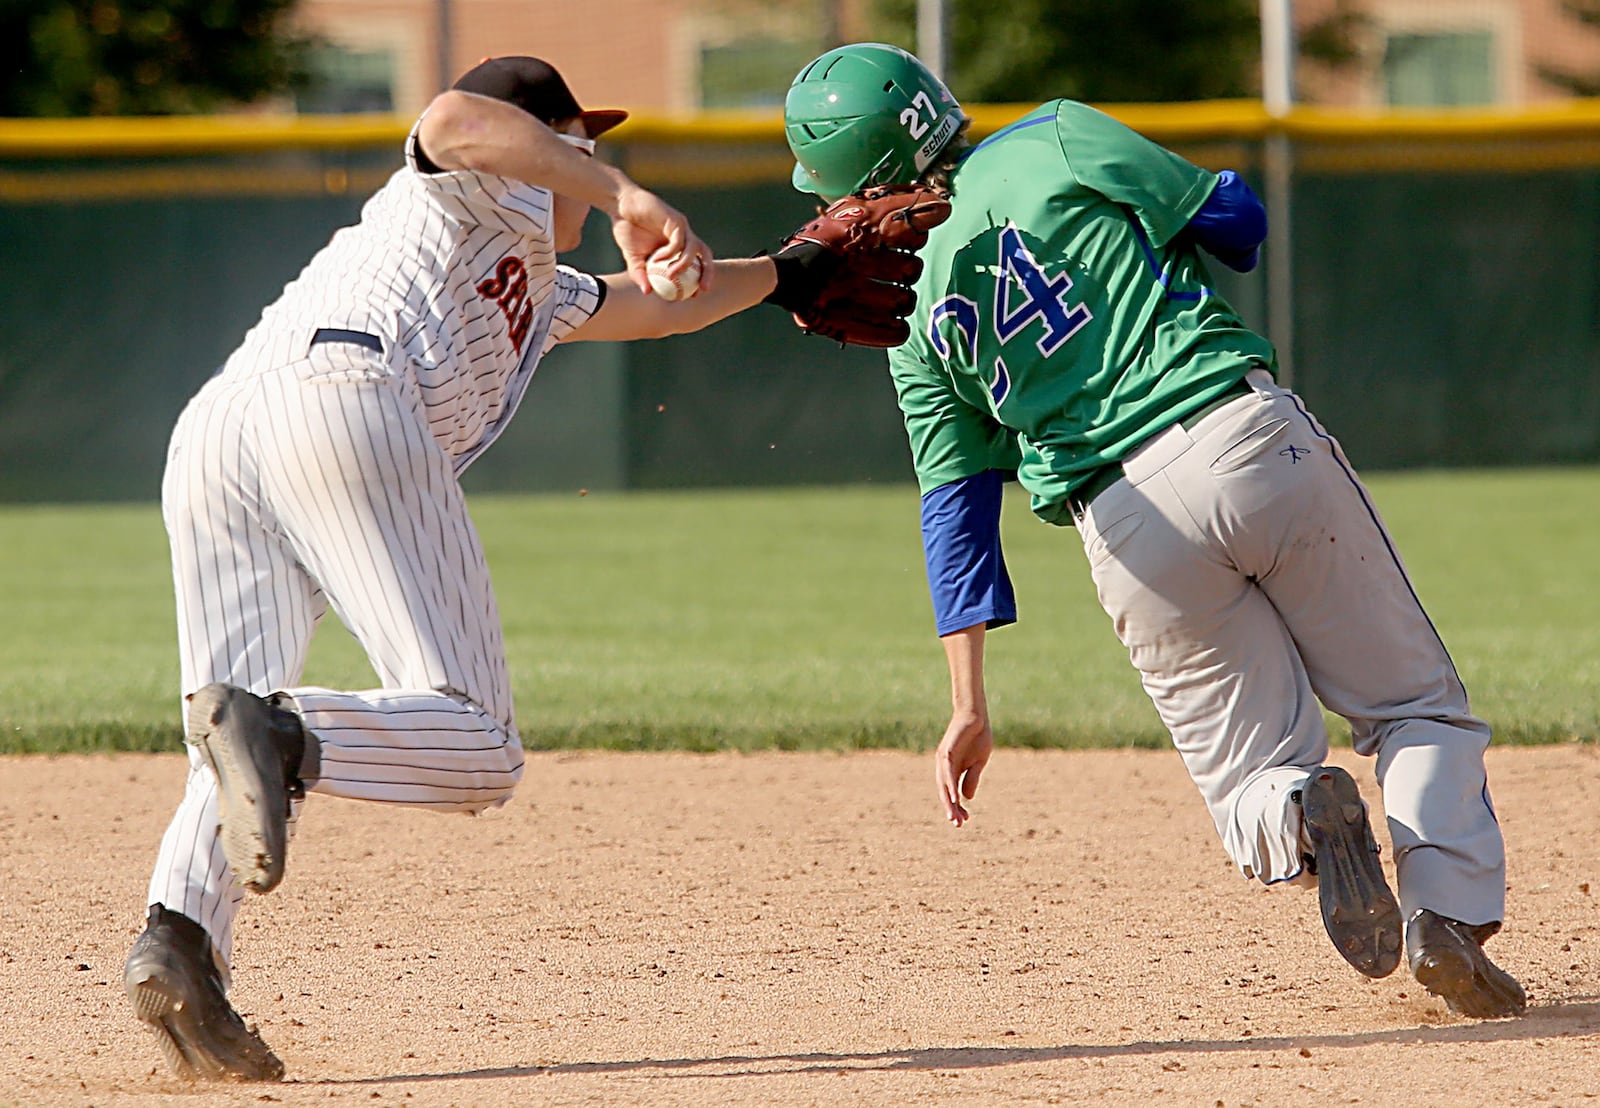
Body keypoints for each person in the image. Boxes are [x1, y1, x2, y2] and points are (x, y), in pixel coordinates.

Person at [123, 55, 863, 1081]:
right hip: (340, 394)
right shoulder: (479, 183)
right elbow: (451, 116)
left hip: (224, 429)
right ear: (547, 143)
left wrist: (791, 275)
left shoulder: (534, 278)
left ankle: (179, 941)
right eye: (579, 138)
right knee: (474, 740)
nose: (593, 156)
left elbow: (654, 306)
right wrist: (621, 190)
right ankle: (289, 734)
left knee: (230, 719)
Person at [783, 42, 1526, 1020]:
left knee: (1250, 775)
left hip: (1124, 524)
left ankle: (1301, 815)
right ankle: (1446, 914)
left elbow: (956, 508)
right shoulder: (1053, 135)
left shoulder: (903, 314)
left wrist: (966, 702)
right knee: (1412, 707)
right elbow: (1237, 221)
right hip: (1241, 433)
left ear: (840, 188)